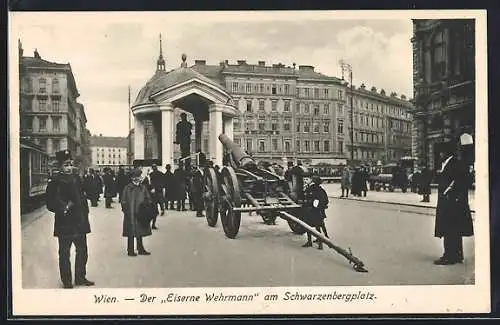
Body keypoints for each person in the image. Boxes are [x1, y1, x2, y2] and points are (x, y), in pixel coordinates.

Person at [45, 150, 94, 289]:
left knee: (82, 250)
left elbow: (82, 197)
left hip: (79, 221)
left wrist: (85, 213)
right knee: (65, 253)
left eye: (70, 164)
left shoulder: (76, 178)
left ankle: (80, 277)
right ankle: (67, 280)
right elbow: (50, 202)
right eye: (66, 165)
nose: (69, 167)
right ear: (60, 166)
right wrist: (64, 208)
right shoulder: (55, 181)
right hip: (64, 223)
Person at [434, 139, 474, 265]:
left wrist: (456, 194)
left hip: (452, 202)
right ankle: (457, 255)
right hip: (448, 201)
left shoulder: (455, 163)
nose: (440, 154)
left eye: (441, 152)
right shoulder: (446, 163)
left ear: (446, 152)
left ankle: (449, 256)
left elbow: (465, 180)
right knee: (453, 230)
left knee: (450, 230)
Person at [120, 168, 153, 256]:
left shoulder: (143, 188)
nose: (139, 178)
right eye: (137, 176)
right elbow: (123, 200)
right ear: (133, 178)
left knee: (140, 231)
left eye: (139, 176)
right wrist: (126, 211)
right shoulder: (127, 188)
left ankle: (140, 248)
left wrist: (146, 207)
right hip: (130, 213)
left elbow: (148, 198)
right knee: (130, 232)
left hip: (140, 213)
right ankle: (130, 250)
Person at [302, 176, 329, 250]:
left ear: (313, 181)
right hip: (317, 211)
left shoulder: (312, 189)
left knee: (309, 226)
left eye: (307, 179)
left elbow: (308, 198)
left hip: (312, 211)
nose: (305, 181)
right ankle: (319, 242)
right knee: (317, 227)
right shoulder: (320, 189)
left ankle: (311, 242)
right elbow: (326, 200)